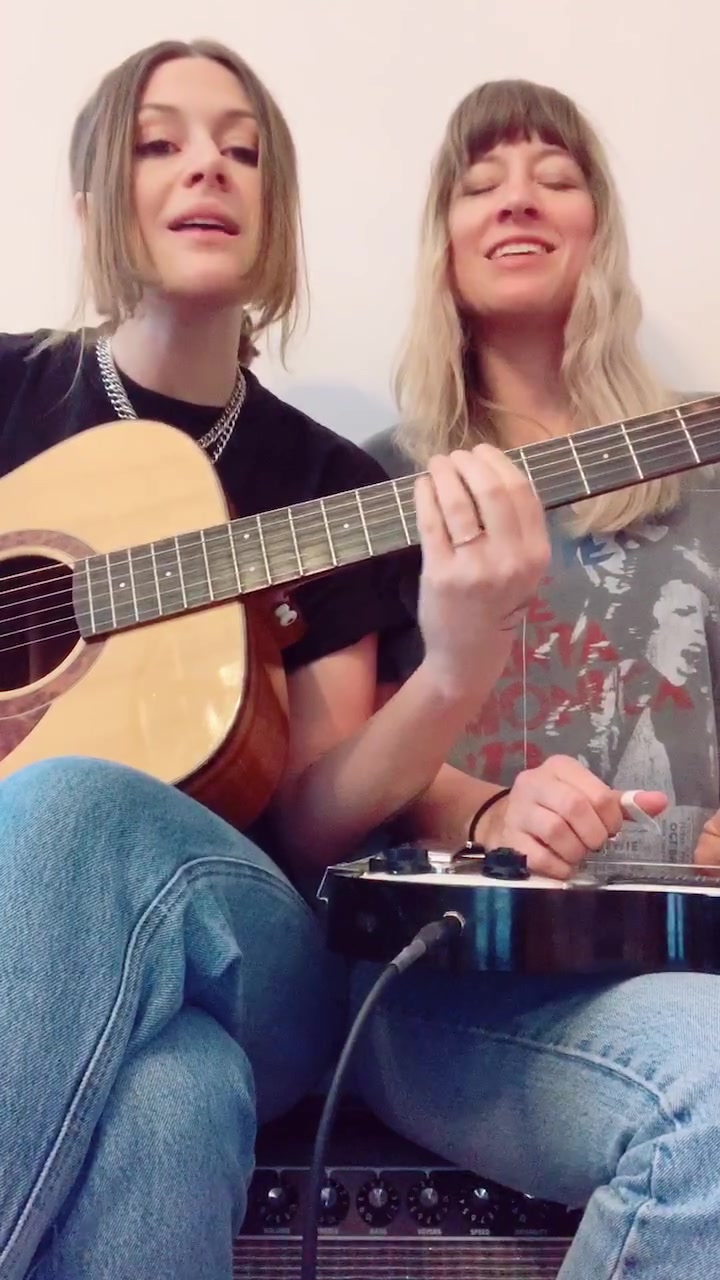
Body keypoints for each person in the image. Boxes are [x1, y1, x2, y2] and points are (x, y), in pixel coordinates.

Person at [0, 41, 549, 1280]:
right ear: (90, 206)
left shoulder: (329, 484)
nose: (208, 165)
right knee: (175, 1099)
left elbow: (308, 814)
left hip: (256, 944)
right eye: (160, 142)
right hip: (59, 965)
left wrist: (456, 664)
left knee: (73, 802)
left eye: (243, 150)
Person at [358, 79, 720, 1278]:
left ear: (599, 228)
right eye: (481, 183)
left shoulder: (703, 465)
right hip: (461, 982)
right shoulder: (367, 483)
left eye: (555, 176)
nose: (518, 198)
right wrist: (496, 811)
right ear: (443, 240)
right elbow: (347, 779)